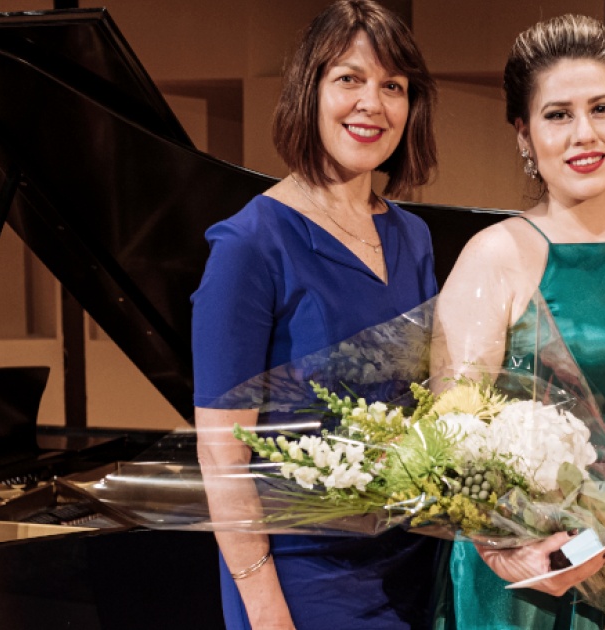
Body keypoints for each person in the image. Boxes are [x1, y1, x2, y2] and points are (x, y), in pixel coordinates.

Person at [430, 14, 605, 630]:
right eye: (558, 115)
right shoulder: (494, 255)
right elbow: (450, 445)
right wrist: (508, 548)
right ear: (524, 135)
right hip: (543, 561)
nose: (585, 133)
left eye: (603, 108)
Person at [191, 2, 440, 628]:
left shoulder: (413, 237)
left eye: (393, 86)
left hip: (414, 566)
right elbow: (222, 457)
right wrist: (266, 609)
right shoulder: (251, 244)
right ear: (309, 90)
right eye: (349, 79)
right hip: (302, 579)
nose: (372, 104)